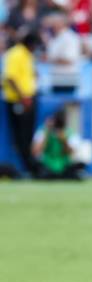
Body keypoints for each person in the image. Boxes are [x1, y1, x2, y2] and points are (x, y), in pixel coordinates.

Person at [2, 30, 38, 176]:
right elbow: (10, 77)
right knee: (21, 136)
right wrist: (23, 97)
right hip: (19, 100)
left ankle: (29, 166)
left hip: (27, 98)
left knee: (27, 135)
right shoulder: (16, 54)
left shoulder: (26, 55)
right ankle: (27, 168)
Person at [31, 108, 85, 180]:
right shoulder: (43, 131)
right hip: (47, 164)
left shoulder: (70, 132)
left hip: (64, 165)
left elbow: (71, 153)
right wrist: (47, 133)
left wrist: (63, 140)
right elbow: (35, 152)